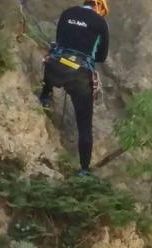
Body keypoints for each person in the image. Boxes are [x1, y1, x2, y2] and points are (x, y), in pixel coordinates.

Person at [38, 0, 110, 176]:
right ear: (99, 6)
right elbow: (101, 56)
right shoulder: (100, 23)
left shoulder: (67, 13)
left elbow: (60, 40)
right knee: (84, 126)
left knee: (53, 56)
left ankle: (45, 97)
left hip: (55, 68)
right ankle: (84, 170)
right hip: (79, 76)